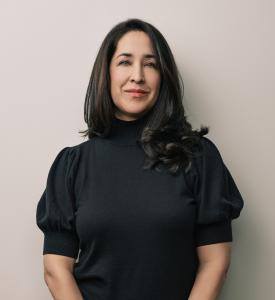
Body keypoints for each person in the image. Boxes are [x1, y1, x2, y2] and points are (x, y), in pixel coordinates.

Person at [36, 18, 244, 300]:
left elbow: (215, 263)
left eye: (151, 64)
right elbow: (56, 270)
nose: (138, 76)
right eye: (124, 62)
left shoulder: (197, 157)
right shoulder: (72, 165)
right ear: (106, 73)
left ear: (163, 76)